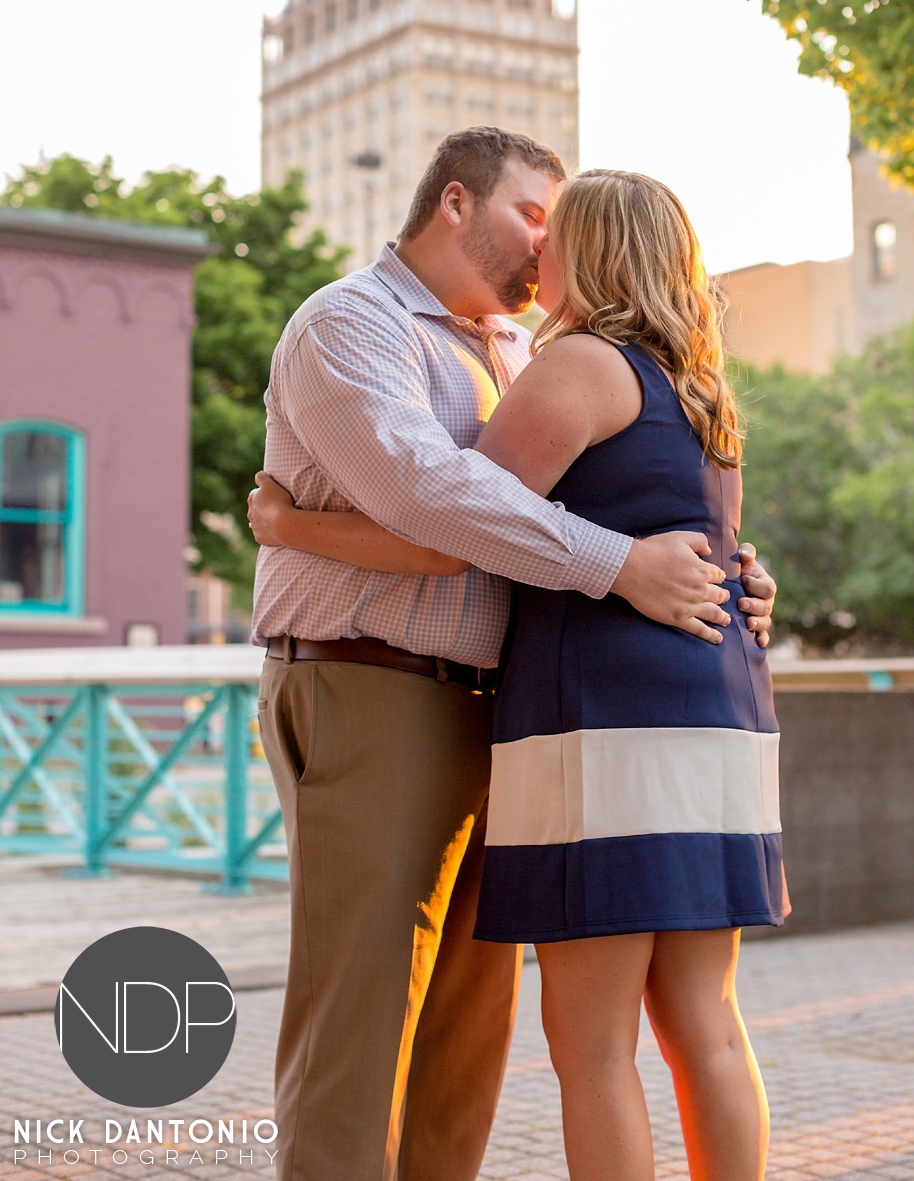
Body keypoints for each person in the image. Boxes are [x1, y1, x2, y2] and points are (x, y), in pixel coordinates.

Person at [246, 128, 777, 1181]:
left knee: (487, 1023)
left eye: (561, 226)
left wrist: (288, 526)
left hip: (544, 711)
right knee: (365, 1014)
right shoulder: (355, 325)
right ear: (455, 202)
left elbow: (482, 525)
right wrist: (643, 565)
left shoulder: (539, 358)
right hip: (380, 684)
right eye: (533, 214)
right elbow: (440, 505)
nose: (544, 246)